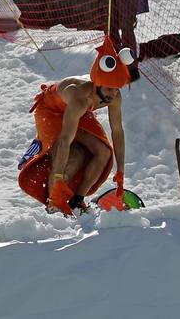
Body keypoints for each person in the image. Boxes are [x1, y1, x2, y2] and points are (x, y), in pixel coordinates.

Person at [18, 36, 131, 216]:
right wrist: (57, 178)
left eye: (117, 89)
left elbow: (118, 131)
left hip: (76, 111)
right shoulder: (80, 98)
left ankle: (77, 200)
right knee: (74, 156)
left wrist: (121, 170)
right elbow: (64, 140)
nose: (113, 94)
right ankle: (53, 202)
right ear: (98, 84)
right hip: (51, 111)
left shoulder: (114, 97)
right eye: (110, 89)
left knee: (104, 152)